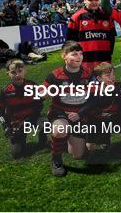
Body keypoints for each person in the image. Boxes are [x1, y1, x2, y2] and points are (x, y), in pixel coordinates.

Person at [43, 41, 93, 177]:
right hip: (61, 113)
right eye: (74, 54)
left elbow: (94, 99)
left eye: (81, 54)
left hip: (79, 116)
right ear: (64, 56)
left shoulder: (89, 74)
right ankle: (56, 160)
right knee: (60, 129)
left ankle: (63, 139)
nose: (79, 57)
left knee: (77, 155)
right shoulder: (55, 75)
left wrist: (80, 113)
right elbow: (43, 91)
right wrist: (42, 94)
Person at [77, 62, 121, 160]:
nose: (112, 77)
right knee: (89, 147)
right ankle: (101, 140)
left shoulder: (119, 87)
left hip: (113, 118)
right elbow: (89, 108)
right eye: (108, 75)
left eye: (113, 74)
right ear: (99, 79)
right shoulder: (93, 90)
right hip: (98, 120)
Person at [0, 59, 46, 159]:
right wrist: (6, 126)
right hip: (17, 122)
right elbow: (0, 111)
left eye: (20, 71)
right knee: (17, 153)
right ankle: (20, 140)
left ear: (25, 71)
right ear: (8, 73)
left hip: (32, 118)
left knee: (45, 124)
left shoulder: (32, 86)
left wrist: (29, 119)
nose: (17, 75)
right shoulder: (5, 91)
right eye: (13, 72)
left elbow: (39, 106)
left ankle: (42, 142)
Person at [66, 0, 116, 71]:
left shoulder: (107, 16)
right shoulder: (76, 17)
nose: (94, 2)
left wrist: (109, 54)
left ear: (100, 0)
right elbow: (70, 42)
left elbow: (112, 38)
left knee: (106, 84)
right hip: (84, 63)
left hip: (104, 61)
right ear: (84, 0)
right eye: (90, 0)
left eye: (96, 0)